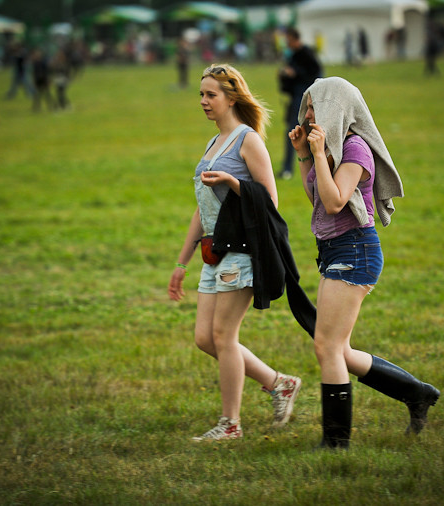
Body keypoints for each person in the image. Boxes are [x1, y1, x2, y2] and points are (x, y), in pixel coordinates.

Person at [288, 77, 440, 449]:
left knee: (326, 346)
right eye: (307, 108)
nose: (308, 116)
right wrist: (308, 157)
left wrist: (319, 156)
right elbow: (319, 204)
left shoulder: (356, 149)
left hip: (356, 251)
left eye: (314, 108)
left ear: (336, 109)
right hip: (335, 251)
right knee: (338, 349)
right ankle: (417, 393)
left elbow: (337, 200)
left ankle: (336, 443)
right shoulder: (333, 150)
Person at [169, 64, 302, 442]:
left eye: (211, 94)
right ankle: (279, 383)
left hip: (242, 250)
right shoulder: (214, 143)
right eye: (201, 94)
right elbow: (203, 206)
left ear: (231, 97)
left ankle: (230, 425)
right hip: (214, 251)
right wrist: (182, 260)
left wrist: (232, 182)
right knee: (205, 339)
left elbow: (270, 202)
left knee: (224, 337)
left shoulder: (248, 141)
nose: (203, 102)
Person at [278, 28, 322, 180]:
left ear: (295, 39)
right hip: (295, 98)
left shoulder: (306, 53)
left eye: (289, 40)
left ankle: (314, 170)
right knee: (293, 133)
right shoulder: (292, 56)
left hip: (305, 100)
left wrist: (295, 73)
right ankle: (288, 169)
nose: (287, 44)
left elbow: (317, 76)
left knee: (306, 133)